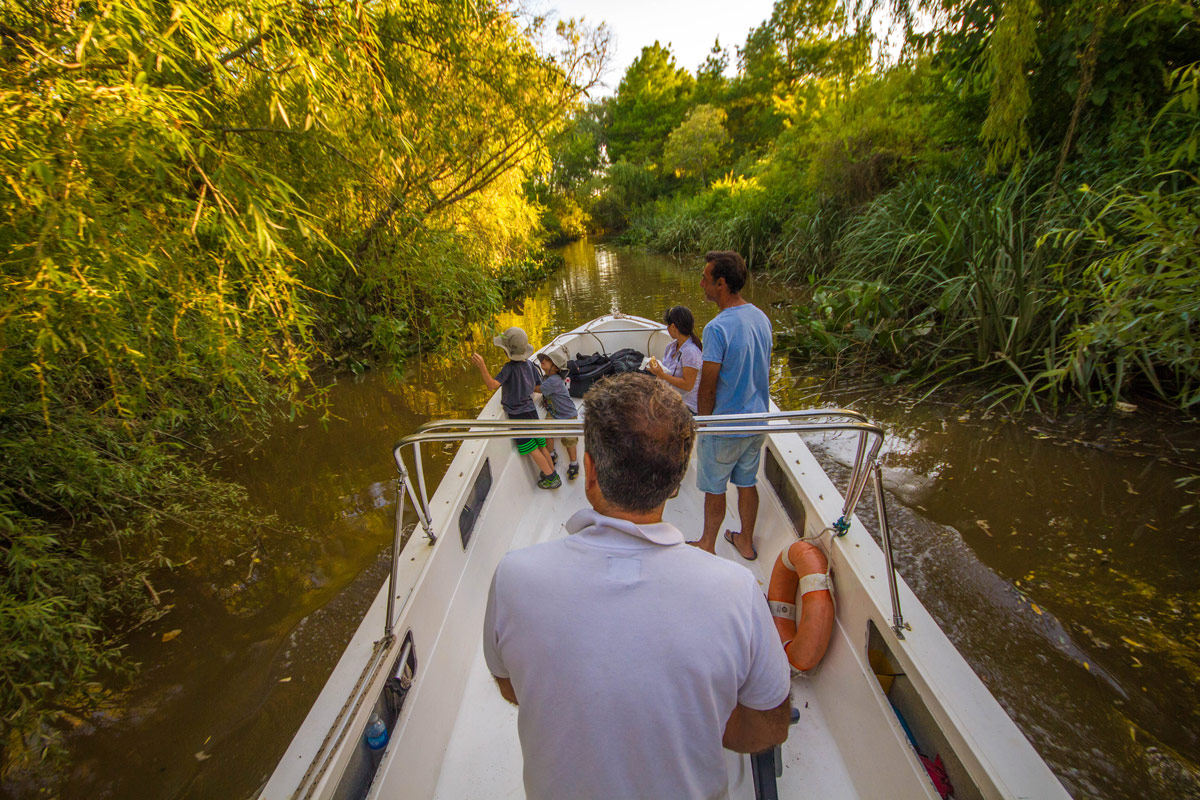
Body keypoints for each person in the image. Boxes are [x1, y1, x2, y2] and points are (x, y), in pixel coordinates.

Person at [482, 373, 791, 800]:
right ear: (677, 480)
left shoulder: (514, 577)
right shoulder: (736, 590)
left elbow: (509, 684)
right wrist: (700, 718)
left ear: (590, 472)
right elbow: (769, 726)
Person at [693, 250, 772, 560]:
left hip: (725, 427)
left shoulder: (716, 328)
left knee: (715, 488)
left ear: (721, 284)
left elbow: (708, 386)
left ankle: (707, 545)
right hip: (756, 422)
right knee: (747, 483)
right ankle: (746, 542)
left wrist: (703, 424)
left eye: (705, 279)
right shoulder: (761, 317)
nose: (701, 284)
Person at [471, 327, 560, 489]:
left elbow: (492, 385)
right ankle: (552, 470)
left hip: (517, 415)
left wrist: (482, 366)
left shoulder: (509, 369)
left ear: (507, 351)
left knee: (532, 449)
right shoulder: (531, 366)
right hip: (531, 411)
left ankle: (551, 477)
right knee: (540, 444)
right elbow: (537, 387)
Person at [534, 344, 579, 481]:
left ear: (555, 367)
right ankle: (552, 454)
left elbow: (538, 389)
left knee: (569, 440)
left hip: (568, 415)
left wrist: (525, 384)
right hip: (553, 413)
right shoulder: (547, 378)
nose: (543, 362)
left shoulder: (554, 380)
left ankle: (573, 463)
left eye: (547, 361)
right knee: (546, 431)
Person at [647, 305, 702, 413]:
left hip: (686, 405)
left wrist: (662, 375)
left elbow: (688, 385)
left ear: (673, 327)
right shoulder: (671, 347)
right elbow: (666, 373)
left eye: (667, 326)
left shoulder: (691, 352)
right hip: (670, 397)